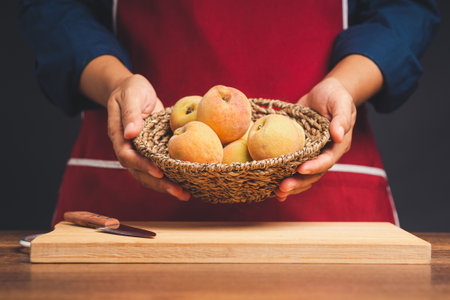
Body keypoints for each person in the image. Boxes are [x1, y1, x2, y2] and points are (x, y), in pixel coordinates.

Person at [18, 0, 439, 226]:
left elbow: (404, 8)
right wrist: (114, 82)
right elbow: (53, 7)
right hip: (135, 174)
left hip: (323, 178)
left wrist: (344, 85)